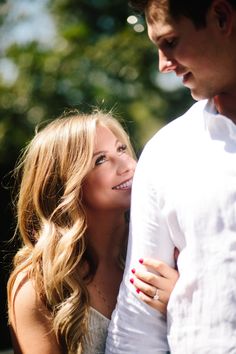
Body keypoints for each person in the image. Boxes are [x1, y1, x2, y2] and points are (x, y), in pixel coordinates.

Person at [105, 0, 236, 353]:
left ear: (221, 18)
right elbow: (137, 320)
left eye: (171, 42)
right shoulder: (167, 152)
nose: (163, 65)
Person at [7, 110, 179, 354]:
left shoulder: (165, 246)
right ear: (63, 184)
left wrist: (182, 306)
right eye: (100, 160)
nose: (127, 165)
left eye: (121, 150)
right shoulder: (37, 286)